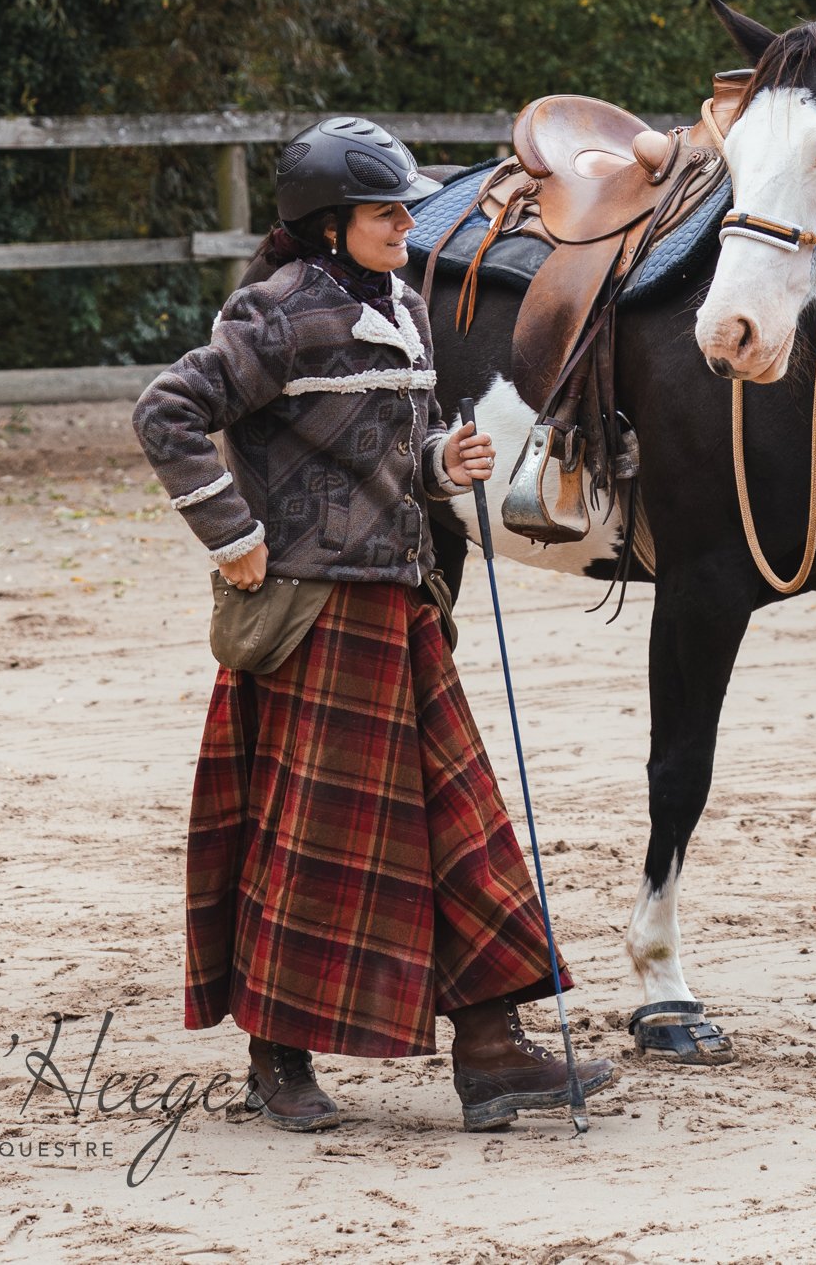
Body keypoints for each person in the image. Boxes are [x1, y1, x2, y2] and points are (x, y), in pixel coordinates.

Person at [132, 114, 616, 1134]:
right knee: (310, 851)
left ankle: (489, 1050)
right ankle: (277, 1059)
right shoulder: (272, 314)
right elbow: (165, 412)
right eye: (385, 207)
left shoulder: (399, 301)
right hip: (310, 618)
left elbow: (396, 449)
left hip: (401, 607)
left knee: (462, 832)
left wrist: (446, 462)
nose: (407, 220)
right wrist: (231, 534)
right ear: (324, 224)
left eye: (404, 202)